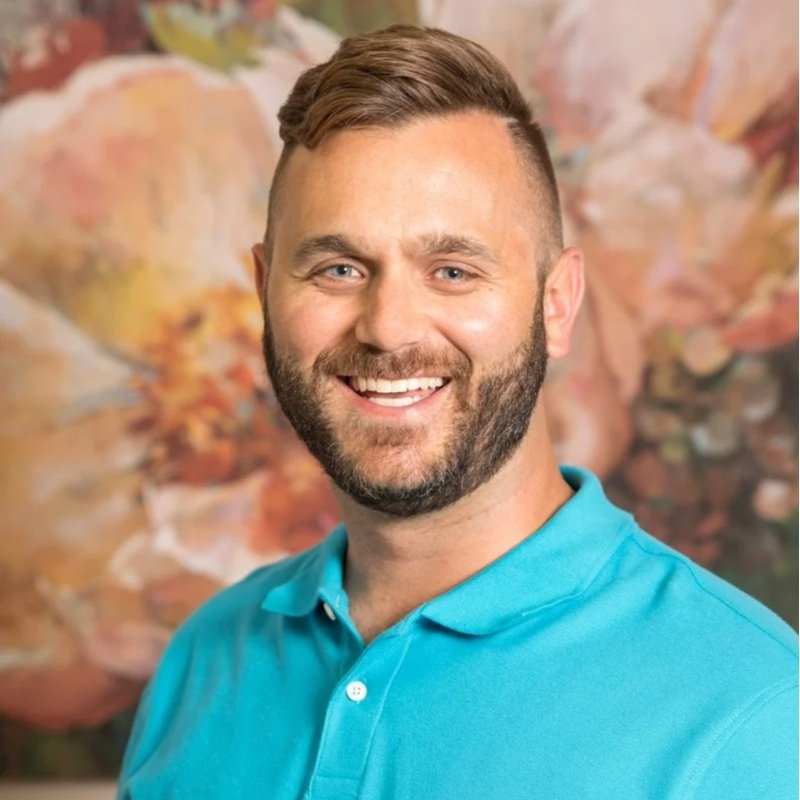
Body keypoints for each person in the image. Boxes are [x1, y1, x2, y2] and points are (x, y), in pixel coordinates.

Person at [118, 25, 797, 800]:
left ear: (557, 304)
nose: (388, 328)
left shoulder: (754, 716)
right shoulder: (203, 661)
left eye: (452, 270)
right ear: (265, 290)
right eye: (339, 269)